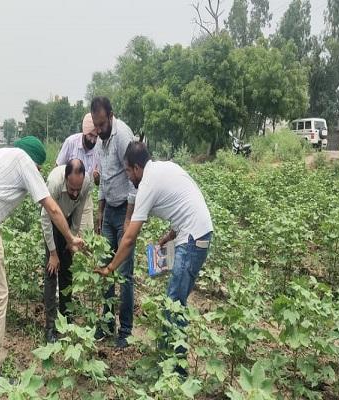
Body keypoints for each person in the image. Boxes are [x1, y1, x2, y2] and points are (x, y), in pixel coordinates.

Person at [0, 136, 84, 392]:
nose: (37, 173)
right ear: (36, 163)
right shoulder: (25, 162)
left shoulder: (1, 155)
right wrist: (70, 238)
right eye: (39, 168)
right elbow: (52, 209)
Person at [95, 142, 213, 375]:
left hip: (192, 240)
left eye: (128, 171)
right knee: (174, 301)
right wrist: (170, 234)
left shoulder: (147, 184)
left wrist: (110, 268)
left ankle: (177, 371)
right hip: (197, 233)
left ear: (137, 168)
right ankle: (167, 357)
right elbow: (184, 201)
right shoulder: (163, 168)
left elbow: (128, 238)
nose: (128, 177)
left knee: (173, 304)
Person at [91, 96, 136, 348]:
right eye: (95, 126)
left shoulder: (122, 137)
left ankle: (126, 331)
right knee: (104, 268)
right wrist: (100, 211)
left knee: (125, 274)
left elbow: (134, 179)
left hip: (125, 213)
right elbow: (105, 178)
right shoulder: (101, 140)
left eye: (101, 124)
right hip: (108, 212)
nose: (98, 130)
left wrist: (129, 217)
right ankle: (107, 324)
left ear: (110, 116)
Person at [41, 159, 92, 343]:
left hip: (67, 221)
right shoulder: (54, 183)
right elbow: (46, 219)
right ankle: (50, 327)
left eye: (78, 189)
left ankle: (66, 318)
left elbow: (78, 210)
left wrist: (72, 239)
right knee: (51, 271)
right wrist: (53, 253)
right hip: (52, 221)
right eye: (71, 189)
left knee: (67, 272)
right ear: (65, 179)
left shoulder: (85, 183)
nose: (75, 193)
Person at [55, 113, 100, 231]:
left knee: (86, 234)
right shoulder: (71, 142)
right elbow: (57, 168)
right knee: (62, 230)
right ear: (84, 131)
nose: (93, 140)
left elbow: (97, 183)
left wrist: (97, 178)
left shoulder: (98, 148)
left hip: (84, 196)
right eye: (91, 135)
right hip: (66, 195)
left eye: (96, 136)